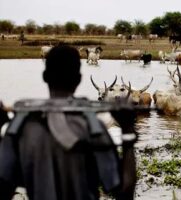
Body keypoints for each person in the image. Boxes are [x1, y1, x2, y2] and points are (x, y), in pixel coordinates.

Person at [0, 45, 137, 200]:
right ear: (79, 79)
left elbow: (4, 189)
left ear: (44, 76)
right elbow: (124, 192)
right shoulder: (94, 128)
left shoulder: (19, 128)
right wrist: (127, 132)